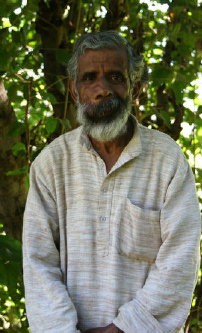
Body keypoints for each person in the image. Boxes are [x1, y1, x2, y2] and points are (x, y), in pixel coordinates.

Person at [23, 31, 201, 333]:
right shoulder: (51, 164)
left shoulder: (167, 159)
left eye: (115, 77)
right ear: (74, 90)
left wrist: (123, 328)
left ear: (134, 88)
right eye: (89, 77)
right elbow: (38, 262)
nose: (102, 89)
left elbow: (181, 257)